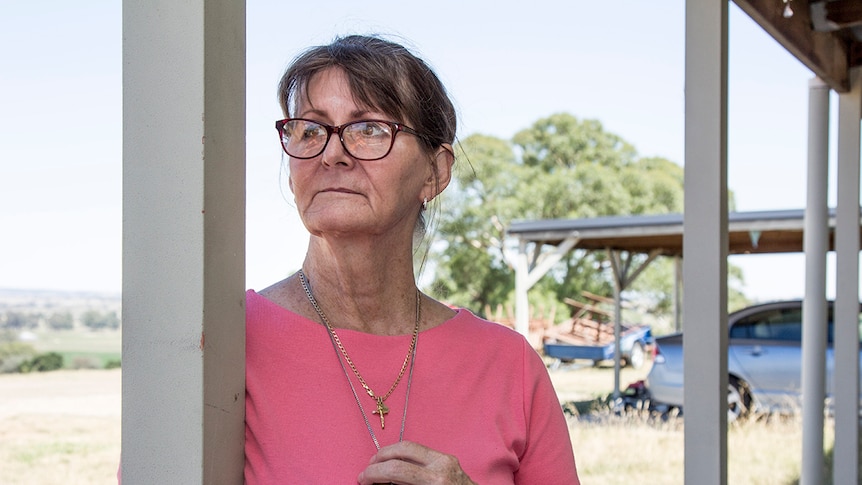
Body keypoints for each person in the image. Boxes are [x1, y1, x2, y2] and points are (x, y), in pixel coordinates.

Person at [245, 34, 580, 484]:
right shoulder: (231, 341)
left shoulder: (508, 367)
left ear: (435, 172)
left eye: (369, 130)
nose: (331, 153)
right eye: (309, 130)